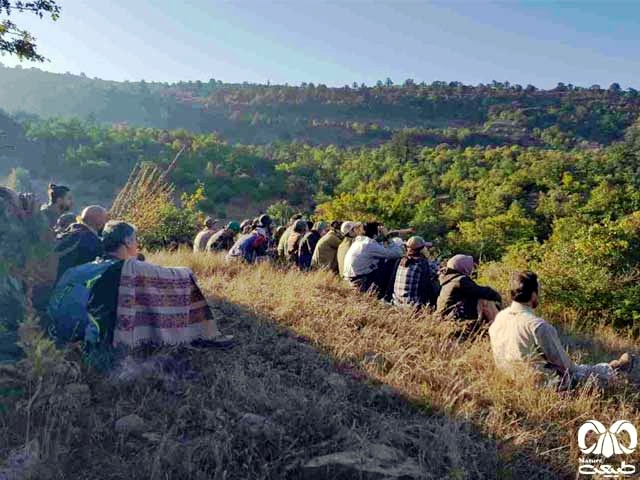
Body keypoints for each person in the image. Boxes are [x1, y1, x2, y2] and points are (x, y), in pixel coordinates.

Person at [87, 221, 233, 352]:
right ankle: (203, 334)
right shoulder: (131, 268)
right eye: (136, 240)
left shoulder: (91, 267)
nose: (137, 245)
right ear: (128, 241)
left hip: (90, 334)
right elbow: (179, 275)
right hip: (112, 342)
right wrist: (187, 271)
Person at [489, 271, 633, 389]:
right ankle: (615, 369)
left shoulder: (499, 317)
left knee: (581, 369)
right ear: (533, 295)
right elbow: (566, 366)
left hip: (510, 378)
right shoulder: (537, 326)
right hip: (541, 384)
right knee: (582, 372)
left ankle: (612, 367)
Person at [436, 254, 502, 329]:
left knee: (479, 299)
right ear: (464, 268)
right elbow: (482, 292)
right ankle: (500, 329)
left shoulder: (448, 279)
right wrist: (498, 297)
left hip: (444, 318)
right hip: (453, 320)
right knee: (485, 300)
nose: (472, 268)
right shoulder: (460, 280)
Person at [343, 222, 404, 297]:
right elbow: (398, 253)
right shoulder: (369, 245)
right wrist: (388, 237)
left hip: (351, 279)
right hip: (361, 282)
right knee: (393, 261)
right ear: (375, 234)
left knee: (381, 260)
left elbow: (379, 247)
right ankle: (387, 295)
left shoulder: (359, 241)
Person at [55, 205, 108, 281]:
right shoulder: (92, 242)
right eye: (105, 219)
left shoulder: (67, 233)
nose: (106, 223)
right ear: (99, 221)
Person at [392, 236, 439, 309]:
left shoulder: (402, 260)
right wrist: (428, 256)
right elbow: (437, 271)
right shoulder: (421, 263)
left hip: (397, 302)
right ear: (421, 250)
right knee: (437, 283)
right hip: (412, 305)